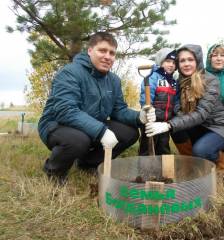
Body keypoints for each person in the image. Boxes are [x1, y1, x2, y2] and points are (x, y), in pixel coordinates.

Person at [38, 32, 155, 184]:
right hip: (56, 125)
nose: (108, 56)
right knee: (79, 141)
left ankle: (88, 163)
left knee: (130, 133)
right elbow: (65, 110)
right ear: (90, 51)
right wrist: (101, 131)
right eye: (102, 50)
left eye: (112, 53)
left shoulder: (113, 80)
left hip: (90, 125)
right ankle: (54, 172)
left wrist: (138, 116)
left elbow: (118, 110)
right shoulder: (70, 72)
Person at [145, 44, 224, 164]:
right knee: (177, 128)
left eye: (190, 59)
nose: (186, 64)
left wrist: (168, 125)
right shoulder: (179, 82)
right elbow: (175, 106)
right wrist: (152, 112)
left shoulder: (210, 80)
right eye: (182, 60)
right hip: (198, 126)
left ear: (197, 61)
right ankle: (191, 162)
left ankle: (219, 162)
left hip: (219, 128)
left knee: (201, 150)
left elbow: (201, 114)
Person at [138, 48, 177, 155]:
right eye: (168, 61)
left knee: (163, 145)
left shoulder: (173, 81)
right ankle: (144, 167)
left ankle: (163, 167)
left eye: (174, 62)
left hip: (165, 121)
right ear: (160, 61)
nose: (171, 65)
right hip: (151, 119)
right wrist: (147, 108)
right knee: (147, 145)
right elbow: (146, 95)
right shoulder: (152, 76)